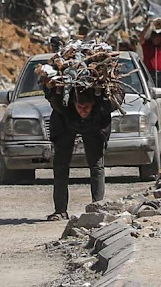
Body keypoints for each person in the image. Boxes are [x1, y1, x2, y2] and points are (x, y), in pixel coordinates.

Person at [44, 87, 114, 221]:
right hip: (65, 126)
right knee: (60, 166)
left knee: (96, 165)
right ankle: (60, 211)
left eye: (86, 107)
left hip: (94, 127)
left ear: (93, 104)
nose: (83, 111)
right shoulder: (62, 105)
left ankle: (97, 207)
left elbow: (116, 99)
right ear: (73, 103)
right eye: (79, 107)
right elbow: (50, 94)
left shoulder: (103, 106)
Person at [140, 18, 161, 87]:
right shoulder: (147, 45)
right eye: (156, 38)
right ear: (152, 38)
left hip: (160, 73)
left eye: (159, 38)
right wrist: (148, 25)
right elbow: (141, 37)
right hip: (149, 72)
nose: (158, 40)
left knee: (160, 90)